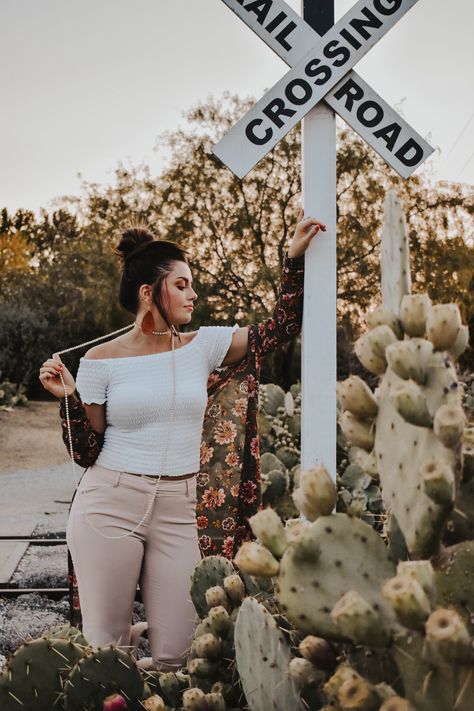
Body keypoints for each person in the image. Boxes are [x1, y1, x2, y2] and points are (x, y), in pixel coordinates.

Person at [38, 212, 325, 672]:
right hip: (108, 504)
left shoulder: (203, 346)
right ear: (149, 294)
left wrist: (292, 260)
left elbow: (280, 329)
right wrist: (69, 397)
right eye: (182, 285)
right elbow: (84, 451)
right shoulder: (99, 360)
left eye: (192, 285)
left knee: (180, 655)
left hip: (178, 507)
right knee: (109, 656)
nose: (193, 294)